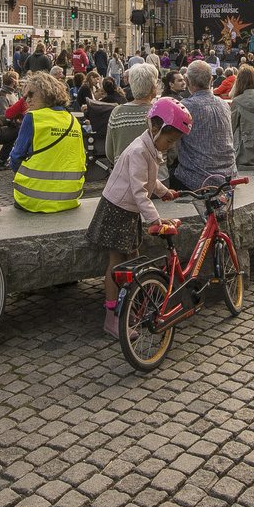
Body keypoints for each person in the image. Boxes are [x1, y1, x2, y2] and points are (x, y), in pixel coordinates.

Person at [89, 97, 190, 337]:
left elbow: (149, 180)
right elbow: (138, 190)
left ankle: (130, 306)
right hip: (117, 210)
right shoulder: (138, 151)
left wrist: (165, 192)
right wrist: (155, 220)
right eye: (169, 140)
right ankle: (112, 316)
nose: (170, 145)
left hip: (128, 211)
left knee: (133, 259)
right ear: (155, 130)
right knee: (117, 264)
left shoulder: (149, 147)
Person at [9, 72, 87, 212]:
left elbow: (16, 157)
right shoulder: (72, 120)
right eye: (25, 97)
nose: (27, 100)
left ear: (46, 92)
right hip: (69, 196)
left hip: (32, 197)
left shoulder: (33, 117)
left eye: (31, 94)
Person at [170, 60, 237, 191]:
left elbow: (172, 145)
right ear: (211, 80)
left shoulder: (185, 107)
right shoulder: (224, 105)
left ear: (187, 81)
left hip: (196, 179)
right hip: (229, 177)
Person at [106, 62, 161, 161]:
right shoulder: (159, 113)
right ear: (153, 88)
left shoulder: (117, 113)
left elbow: (110, 152)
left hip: (124, 172)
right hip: (155, 173)